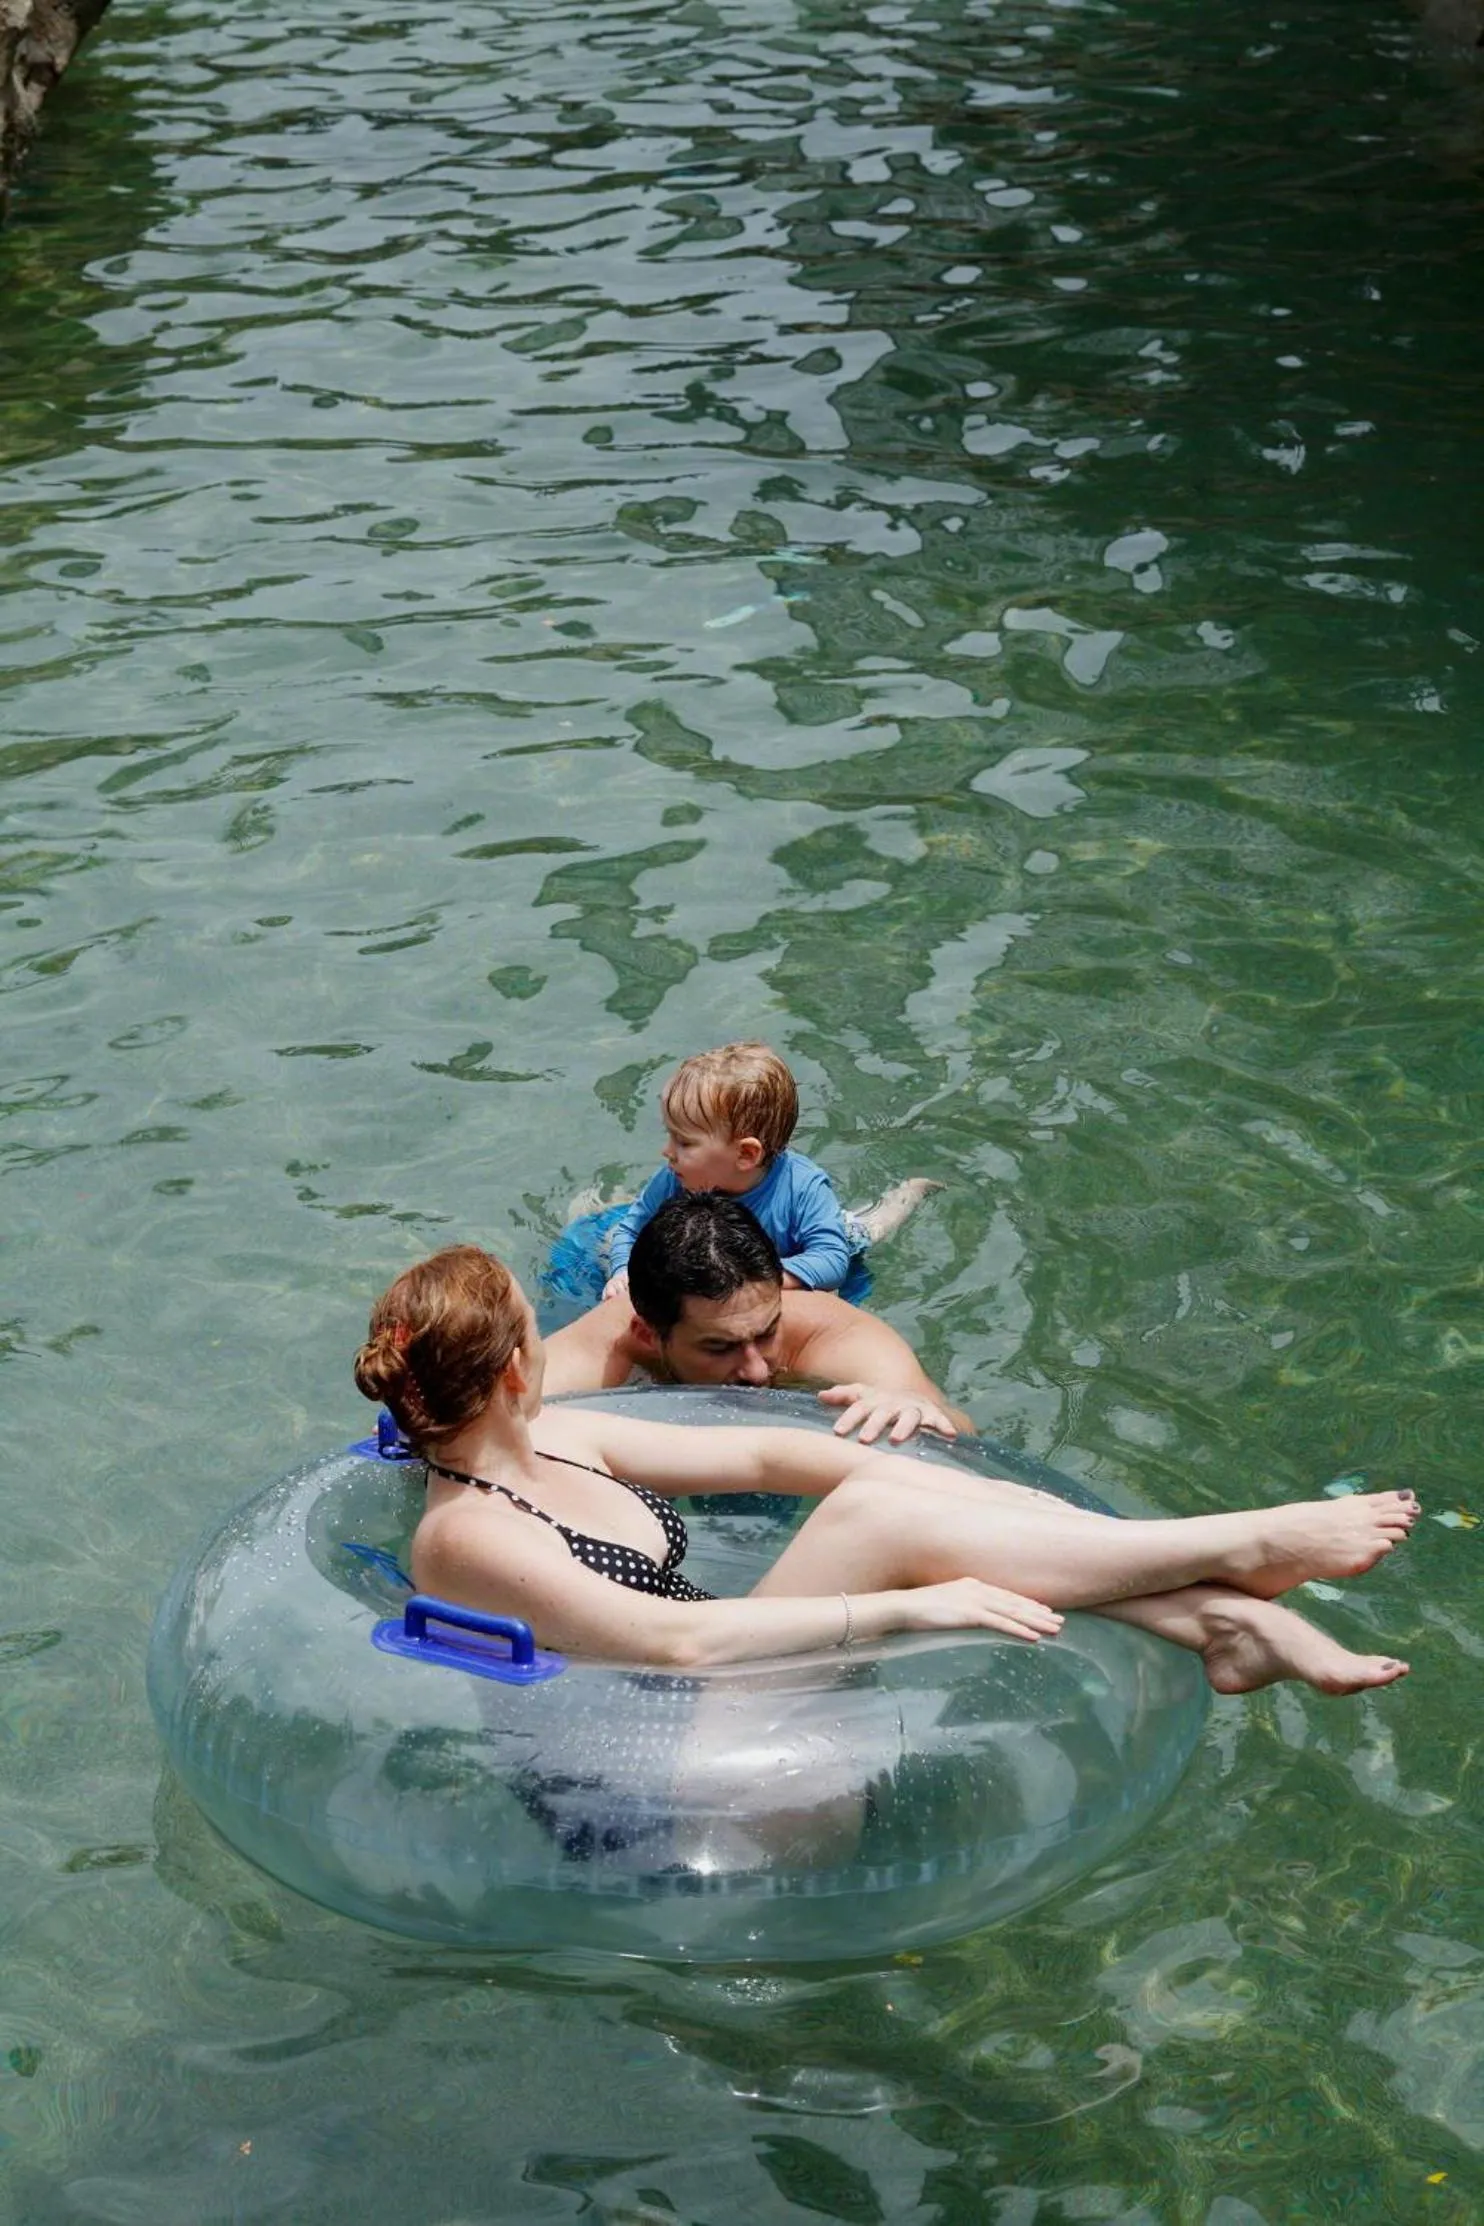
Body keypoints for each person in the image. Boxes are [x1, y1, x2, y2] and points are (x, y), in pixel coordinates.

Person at [355, 1242, 1416, 1697]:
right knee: (873, 1527)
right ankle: (1236, 1550)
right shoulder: (463, 1536)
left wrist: (989, 1496)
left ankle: (1216, 1622)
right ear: (507, 1374)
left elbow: (772, 1449)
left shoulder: (559, 1441)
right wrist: (914, 1610)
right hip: (656, 1791)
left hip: (721, 1710)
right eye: (538, 1335)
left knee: (869, 1489)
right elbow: (677, 1640)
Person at [544, 1191, 969, 1444]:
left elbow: (963, 1435)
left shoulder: (831, 1335)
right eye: (719, 1346)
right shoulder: (612, 1340)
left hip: (790, 1268)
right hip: (619, 1263)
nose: (756, 1371)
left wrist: (917, 1408)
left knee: (852, 1244)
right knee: (592, 1249)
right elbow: (493, 1420)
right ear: (648, 1335)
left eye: (766, 1334)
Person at [585, 1040, 935, 1305]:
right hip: (726, 1252)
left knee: (865, 1231)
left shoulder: (803, 1189)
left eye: (684, 1142)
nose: (666, 1151)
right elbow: (632, 1230)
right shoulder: (674, 1178)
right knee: (620, 1225)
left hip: (800, 1250)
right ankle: (605, 1202)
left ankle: (908, 1193)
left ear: (746, 1154)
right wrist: (622, 1273)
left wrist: (761, 1282)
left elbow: (830, 1260)